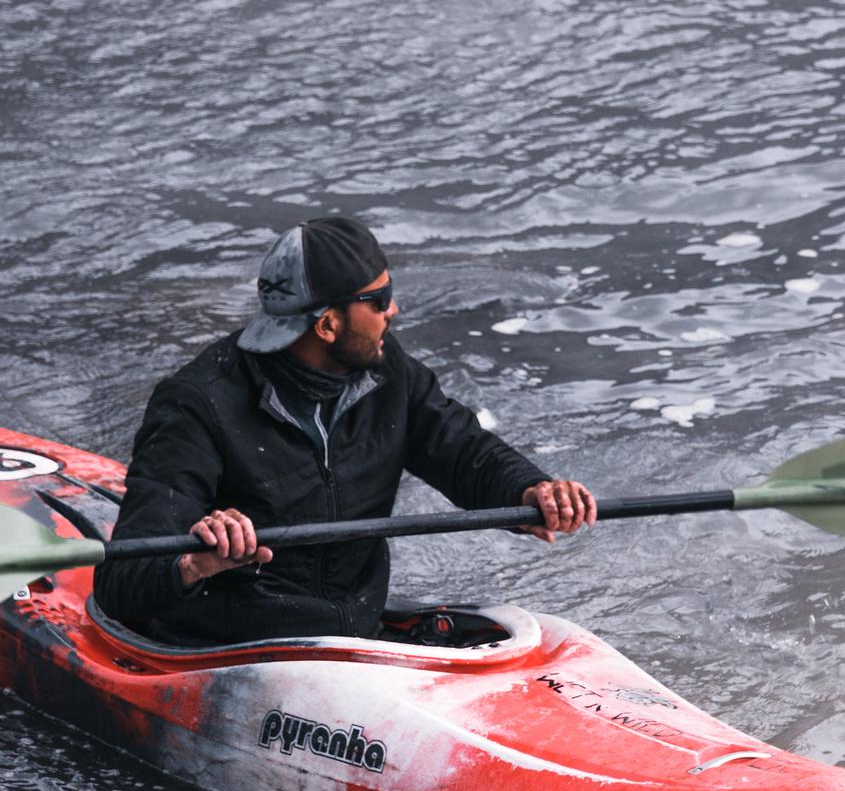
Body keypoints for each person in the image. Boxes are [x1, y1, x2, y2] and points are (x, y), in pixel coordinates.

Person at [93, 216, 596, 645]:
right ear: (328, 324)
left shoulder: (389, 373)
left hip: (350, 635)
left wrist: (532, 490)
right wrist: (193, 562)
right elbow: (119, 583)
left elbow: (465, 451)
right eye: (380, 299)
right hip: (232, 646)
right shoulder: (197, 403)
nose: (393, 311)